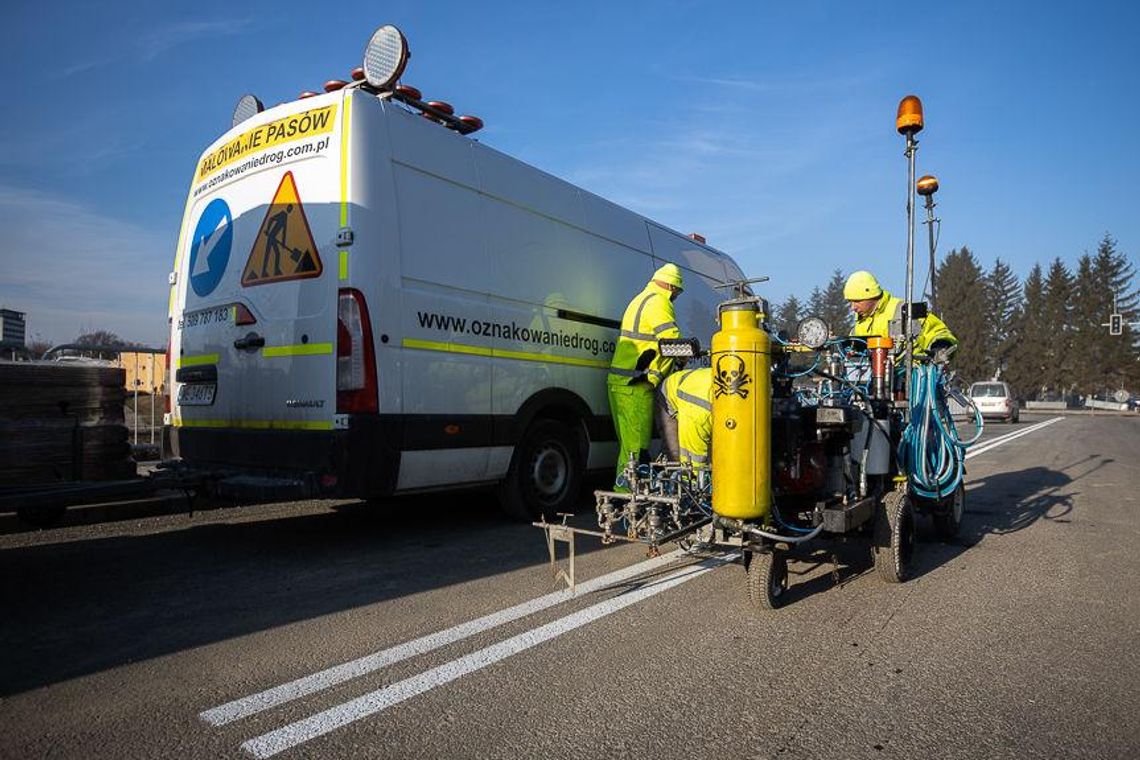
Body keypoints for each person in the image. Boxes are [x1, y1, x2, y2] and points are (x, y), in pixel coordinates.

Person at [607, 263, 684, 491]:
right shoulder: (660, 302)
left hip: (619, 382)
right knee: (635, 450)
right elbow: (672, 343)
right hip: (636, 386)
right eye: (677, 292)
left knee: (626, 447)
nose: (676, 297)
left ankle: (625, 493)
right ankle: (627, 498)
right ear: (671, 286)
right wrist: (659, 373)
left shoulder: (638, 299)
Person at [843, 270, 956, 356]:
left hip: (908, 380)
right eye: (850, 302)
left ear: (871, 295)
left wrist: (940, 345)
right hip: (871, 383)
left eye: (857, 301)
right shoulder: (859, 324)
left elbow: (938, 331)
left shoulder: (904, 310)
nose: (853, 308)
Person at [655, 367, 713, 467]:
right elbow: (692, 456)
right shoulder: (699, 415)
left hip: (692, 389)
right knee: (676, 455)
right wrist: (692, 478)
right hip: (669, 399)